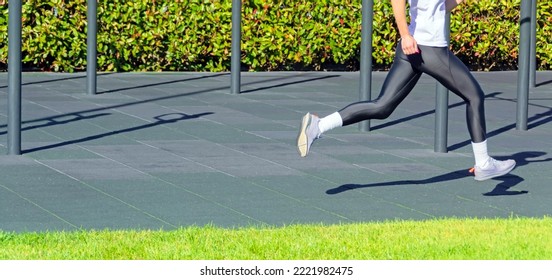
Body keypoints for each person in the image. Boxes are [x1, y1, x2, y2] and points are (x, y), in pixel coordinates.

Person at [296, 0, 516, 181]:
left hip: (415, 49)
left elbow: (439, 7)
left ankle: (318, 125)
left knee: (382, 107)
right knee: (475, 96)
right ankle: (483, 162)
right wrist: (405, 35)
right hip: (428, 49)